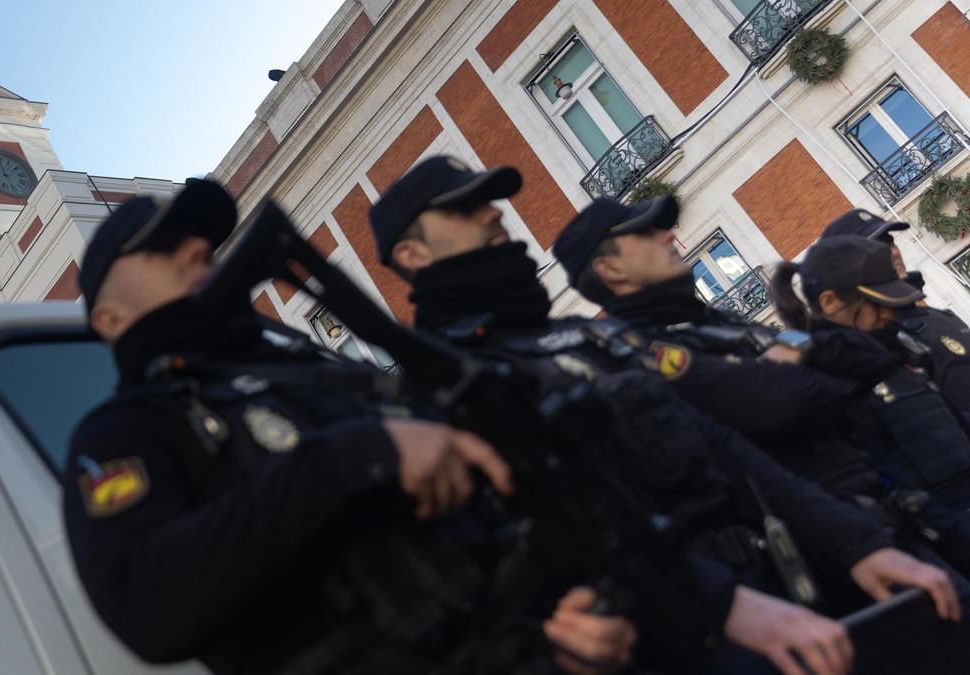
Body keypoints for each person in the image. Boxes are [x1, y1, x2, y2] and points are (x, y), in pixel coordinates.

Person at [367, 156, 960, 674]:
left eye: (488, 200)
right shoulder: (432, 401)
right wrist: (724, 604)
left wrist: (856, 544)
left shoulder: (580, 338)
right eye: (463, 208)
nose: (492, 212)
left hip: (787, 585)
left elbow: (723, 449)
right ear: (412, 253)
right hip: (679, 634)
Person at [62, 180, 640, 675]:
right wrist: (352, 458)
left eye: (202, 241)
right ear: (109, 318)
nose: (197, 248)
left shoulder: (318, 372)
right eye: (162, 248)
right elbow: (147, 606)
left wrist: (569, 619)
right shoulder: (126, 431)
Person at [553, 195, 970, 581]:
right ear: (610, 269)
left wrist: (792, 353)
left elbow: (861, 354)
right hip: (833, 554)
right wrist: (798, 363)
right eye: (645, 233)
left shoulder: (715, 323)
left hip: (893, 515)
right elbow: (786, 399)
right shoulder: (647, 351)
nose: (669, 235)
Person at [767, 235, 970, 516]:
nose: (889, 314)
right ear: (830, 302)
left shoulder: (894, 350)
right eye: (876, 303)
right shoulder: (816, 378)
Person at [820, 208, 970, 417]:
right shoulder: (877, 345)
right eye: (877, 248)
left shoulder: (931, 314)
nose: (894, 252)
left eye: (890, 241)